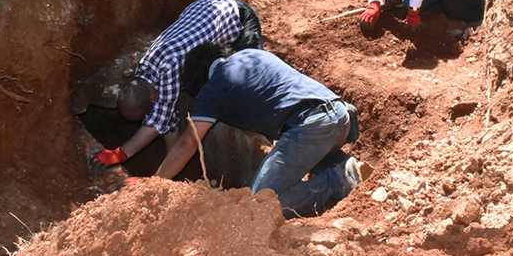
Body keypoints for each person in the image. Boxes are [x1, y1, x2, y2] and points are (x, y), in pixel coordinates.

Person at [153, 44, 363, 219]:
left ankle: (337, 181)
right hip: (339, 114)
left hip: (313, 124)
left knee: (261, 205)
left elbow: (187, 143)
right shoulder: (251, 54)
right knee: (304, 147)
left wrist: (154, 183)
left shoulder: (215, 88)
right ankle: (343, 165)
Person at [90, 0, 263, 173]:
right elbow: (165, 117)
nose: (149, 117)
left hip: (234, 16)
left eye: (148, 113)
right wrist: (171, 166)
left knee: (249, 81)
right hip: (203, 11)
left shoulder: (171, 67)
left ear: (151, 96)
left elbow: (157, 123)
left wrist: (120, 154)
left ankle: (266, 128)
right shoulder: (144, 71)